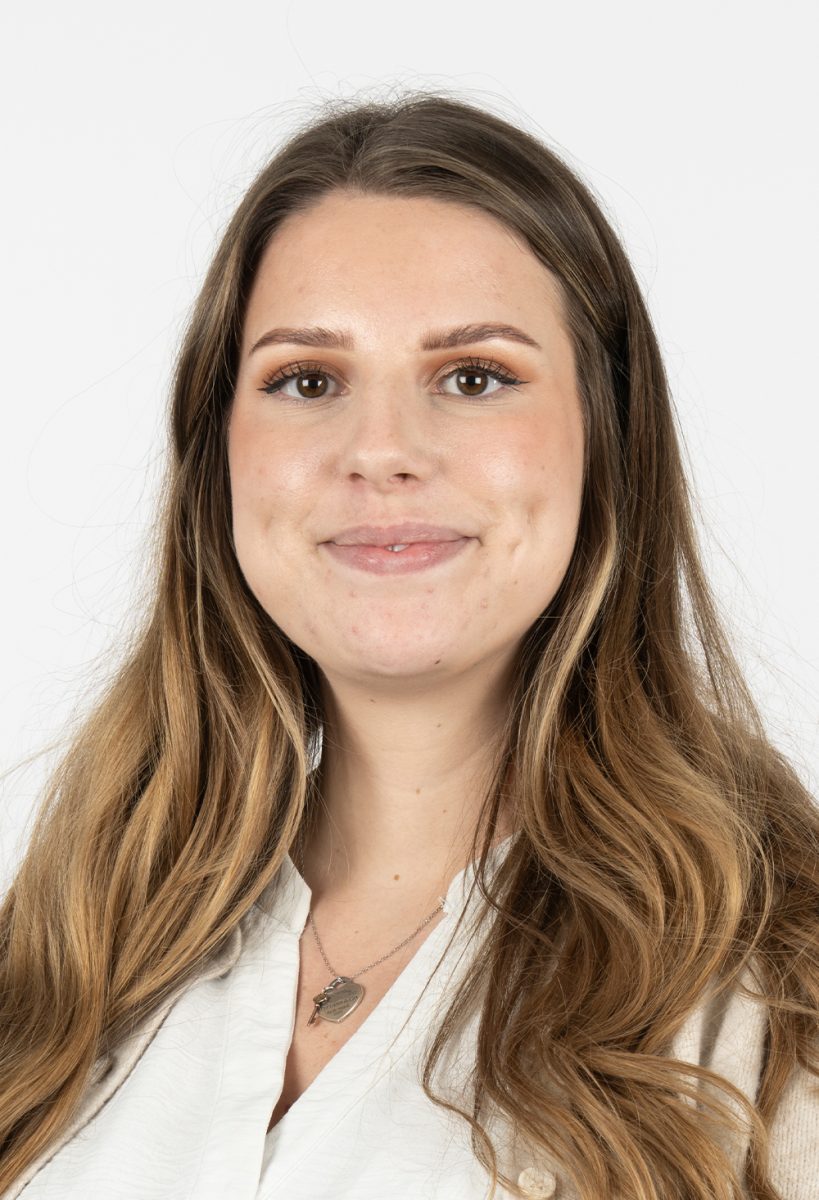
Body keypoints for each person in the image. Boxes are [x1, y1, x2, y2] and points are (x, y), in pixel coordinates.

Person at [0, 91, 816, 1200]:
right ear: (216, 458)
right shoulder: (69, 949)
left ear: (607, 443)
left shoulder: (781, 985)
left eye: (474, 377)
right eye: (308, 380)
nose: (380, 450)